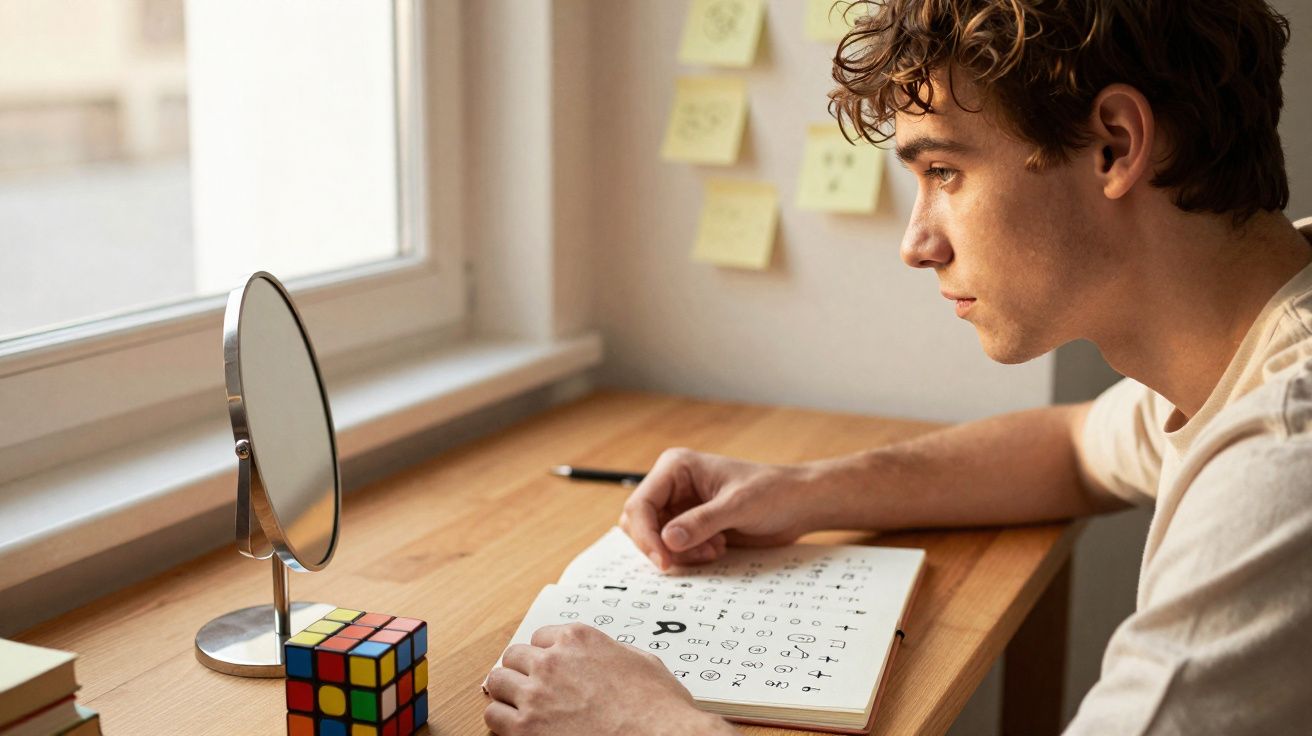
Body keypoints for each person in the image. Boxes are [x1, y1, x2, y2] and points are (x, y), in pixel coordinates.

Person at [483, 0, 1312, 733]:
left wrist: (650, 727)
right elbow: (1075, 449)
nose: (917, 244)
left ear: (1115, 145)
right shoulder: (1260, 327)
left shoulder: (1282, 461)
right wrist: (802, 491)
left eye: (944, 171)